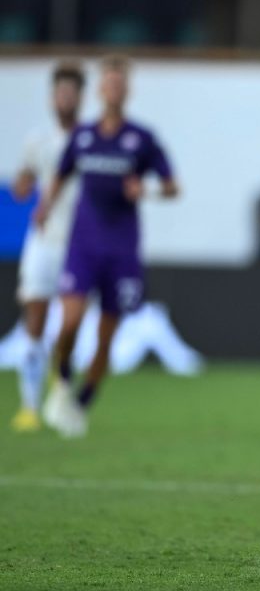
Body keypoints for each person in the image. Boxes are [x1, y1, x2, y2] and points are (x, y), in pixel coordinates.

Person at [36, 55, 180, 438]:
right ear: (100, 89)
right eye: (108, 83)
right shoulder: (83, 136)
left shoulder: (142, 139)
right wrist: (45, 205)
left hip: (122, 249)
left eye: (120, 84)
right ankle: (63, 381)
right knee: (69, 323)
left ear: (126, 91)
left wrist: (146, 189)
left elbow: (173, 185)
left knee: (105, 337)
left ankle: (82, 404)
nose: (113, 89)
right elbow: (60, 175)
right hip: (83, 245)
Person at [9, 62, 86, 433]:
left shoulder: (89, 140)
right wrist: (22, 184)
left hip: (80, 243)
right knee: (34, 320)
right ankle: (29, 405)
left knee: (70, 323)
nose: (64, 99)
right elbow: (23, 184)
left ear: (80, 98)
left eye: (71, 93)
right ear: (53, 97)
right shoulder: (37, 140)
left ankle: (62, 387)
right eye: (60, 93)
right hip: (43, 241)